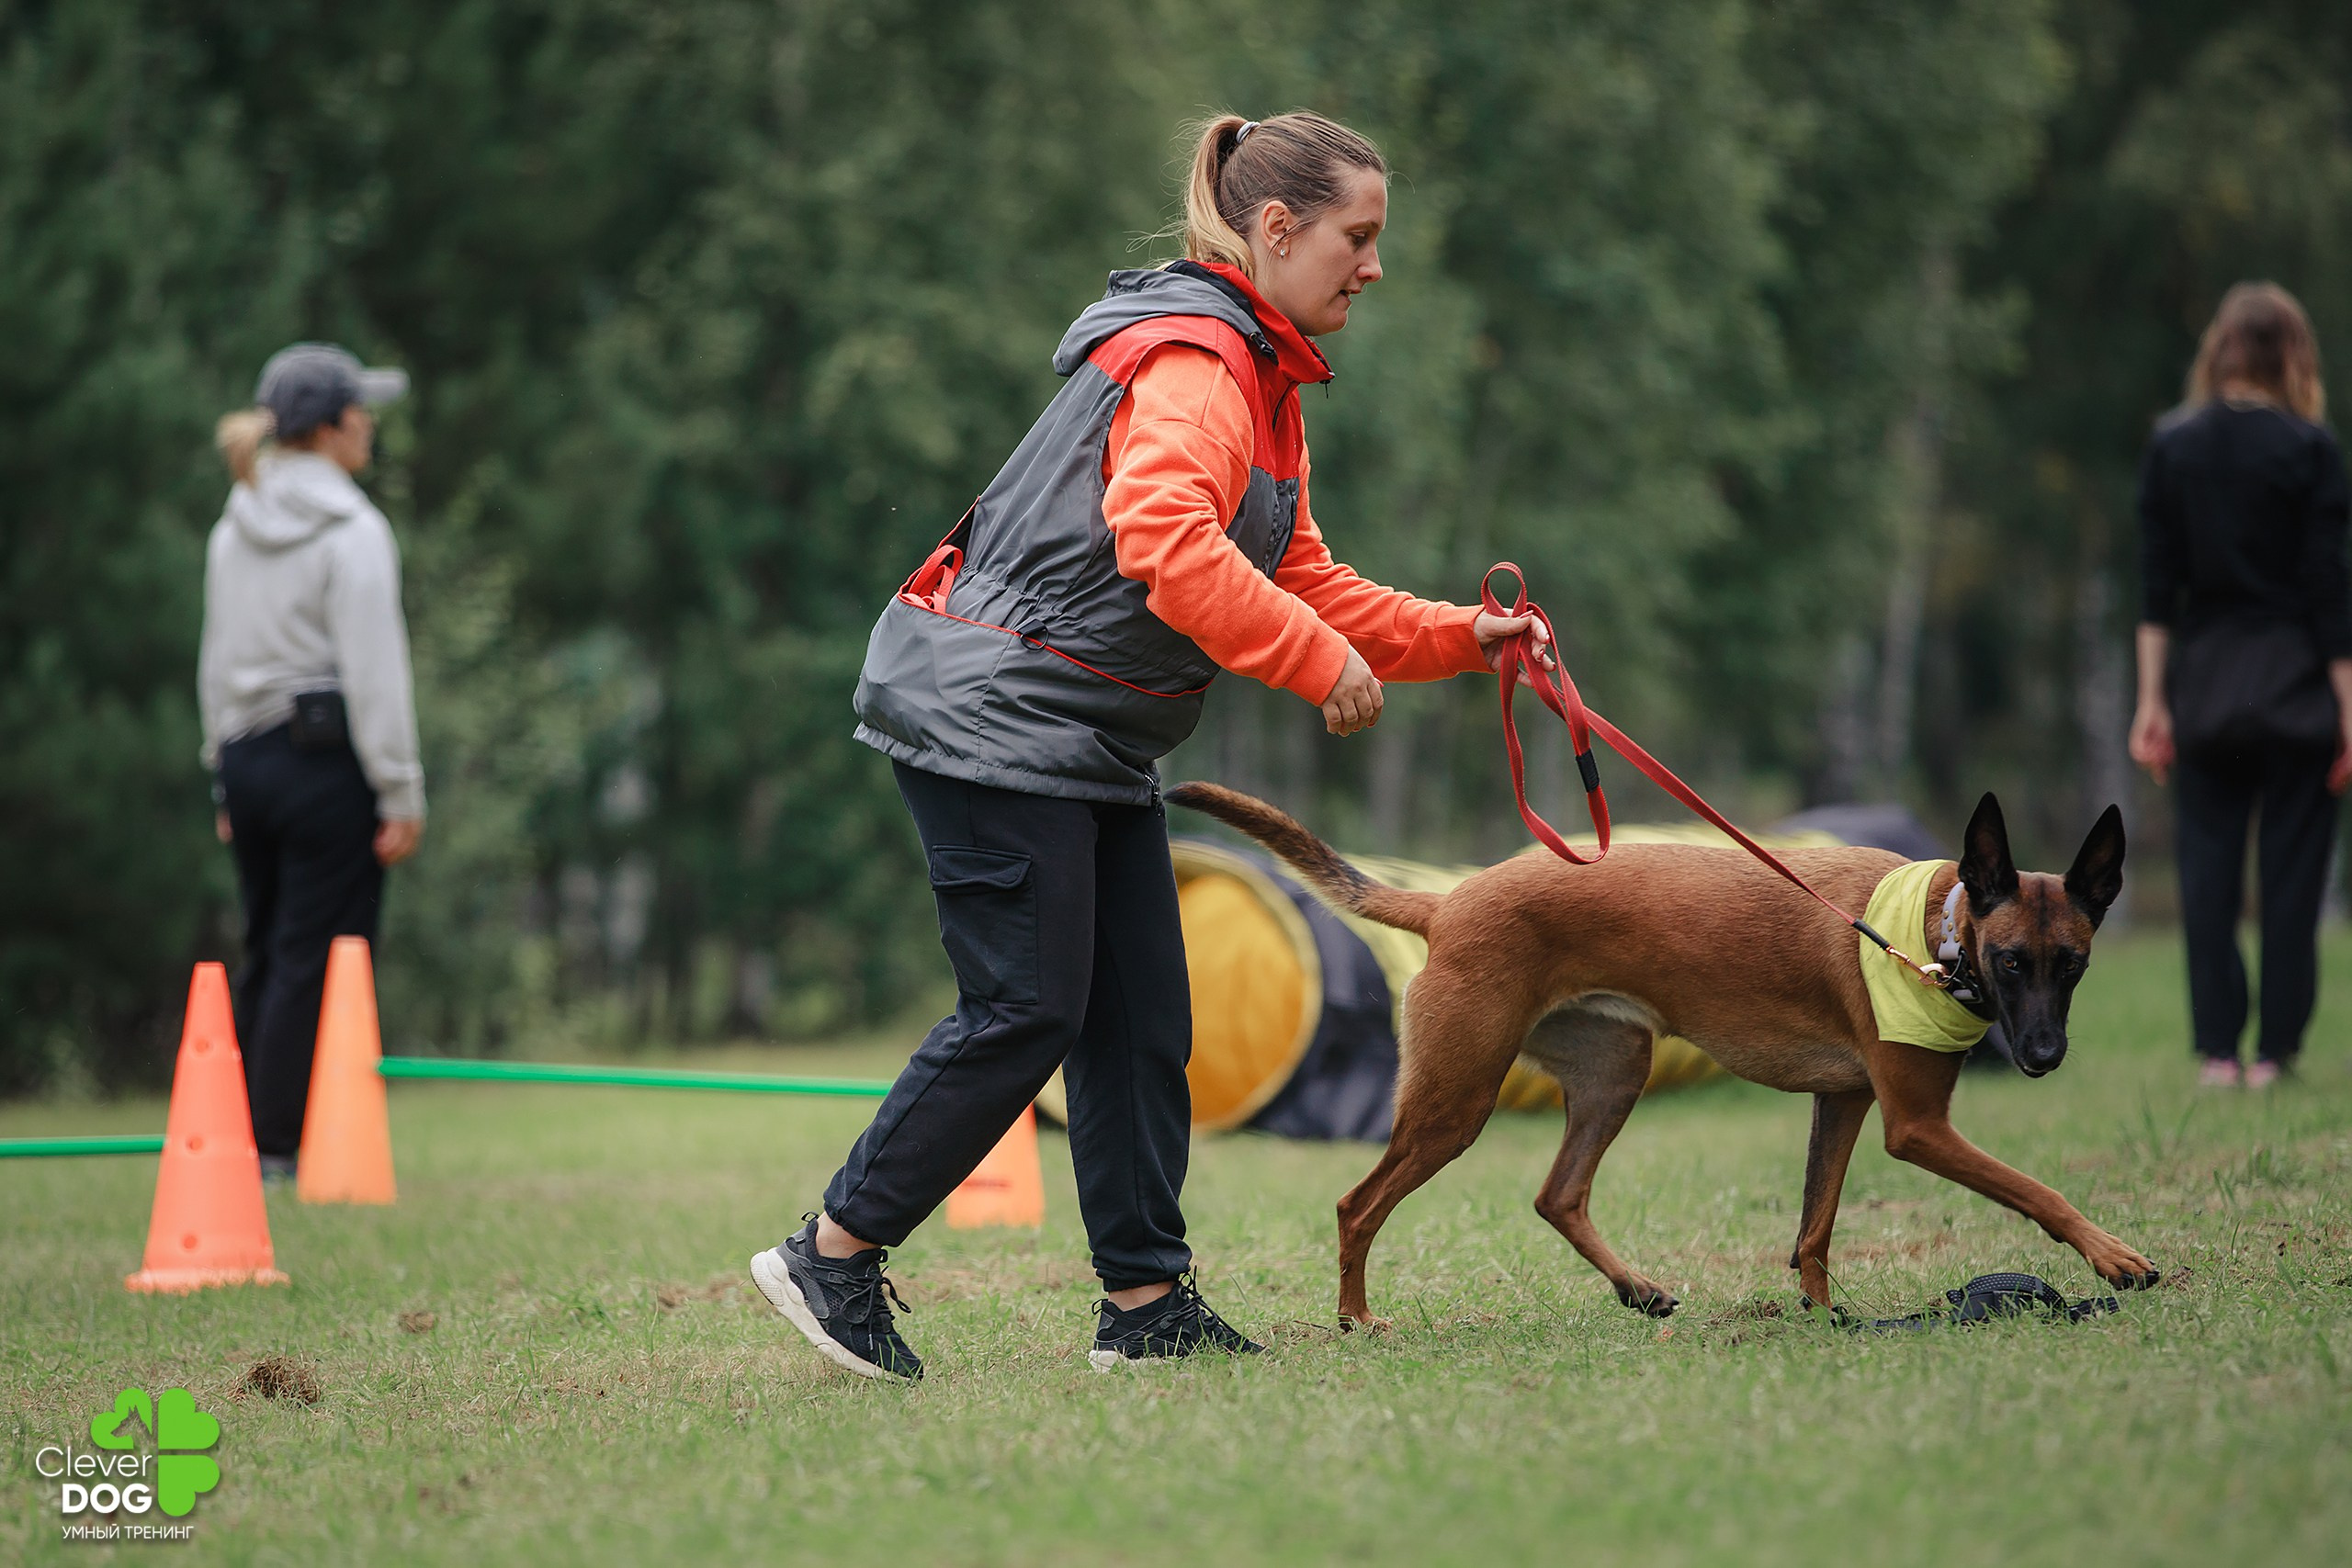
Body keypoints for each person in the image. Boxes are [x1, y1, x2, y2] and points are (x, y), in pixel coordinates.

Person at [748, 112, 1555, 1381]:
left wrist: (1470, 635)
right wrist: (1310, 660)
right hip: (992, 711)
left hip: (1084, 726)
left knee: (1137, 1022)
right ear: (1275, 230)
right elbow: (1168, 546)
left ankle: (1145, 1302)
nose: (1374, 265)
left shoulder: (1264, 382)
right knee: (1026, 1006)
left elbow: (1303, 575)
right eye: (1358, 236)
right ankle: (832, 1254)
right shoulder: (1197, 365)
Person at [200, 344, 425, 1175]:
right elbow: (375, 672)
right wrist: (401, 789)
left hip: (247, 757)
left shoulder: (236, 518)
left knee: (269, 947)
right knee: (323, 953)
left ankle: (242, 1136)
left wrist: (220, 770)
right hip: (325, 763)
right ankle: (283, 1146)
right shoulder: (354, 529)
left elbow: (214, 656)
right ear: (331, 427)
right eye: (360, 409)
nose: (370, 422)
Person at [2128, 283, 2352, 1089]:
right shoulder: (2310, 449)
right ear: (2292, 355)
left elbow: (2158, 591)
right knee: (2293, 878)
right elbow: (2330, 590)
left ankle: (2218, 1051)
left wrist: (2152, 701)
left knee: (2207, 872)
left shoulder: (2173, 446)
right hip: (2295, 686)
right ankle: (2274, 1052)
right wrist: (2349, 707)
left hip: (2207, 688)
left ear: (2221, 350)